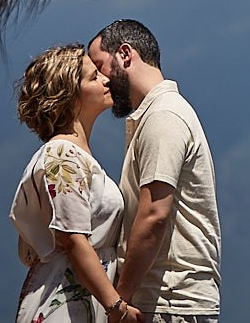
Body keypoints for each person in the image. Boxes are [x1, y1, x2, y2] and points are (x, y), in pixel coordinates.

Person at [88, 19, 222, 323]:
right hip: (166, 300)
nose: (101, 80)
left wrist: (118, 303)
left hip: (169, 301)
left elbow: (154, 216)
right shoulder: (159, 115)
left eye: (100, 66)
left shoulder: (163, 116)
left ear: (125, 54)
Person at [11, 43, 142, 323]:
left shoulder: (75, 155)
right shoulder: (62, 155)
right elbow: (72, 239)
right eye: (94, 77)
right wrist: (116, 307)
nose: (106, 79)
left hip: (82, 297)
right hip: (66, 302)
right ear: (70, 95)